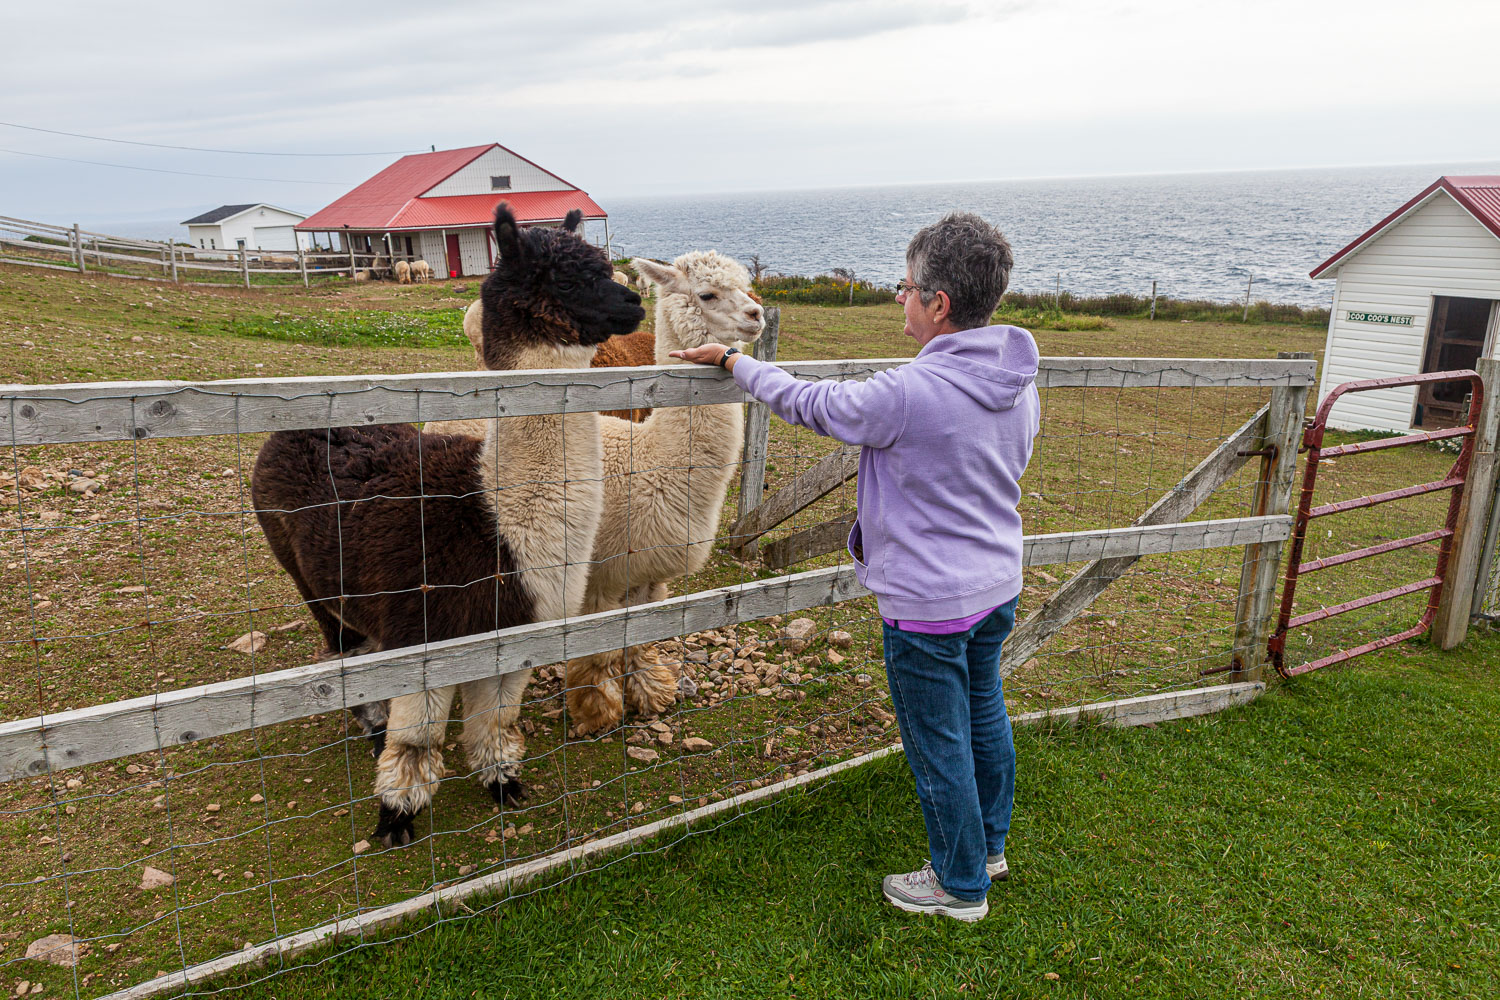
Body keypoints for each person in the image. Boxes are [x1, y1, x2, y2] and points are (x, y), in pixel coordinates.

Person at [670, 212, 1039, 922]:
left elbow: (818, 404)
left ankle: (960, 886)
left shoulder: (907, 393)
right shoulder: (1018, 375)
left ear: (939, 304)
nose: (898, 298)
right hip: (996, 584)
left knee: (939, 743)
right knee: (983, 710)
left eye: (905, 287)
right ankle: (988, 846)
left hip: (927, 602)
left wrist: (733, 363)